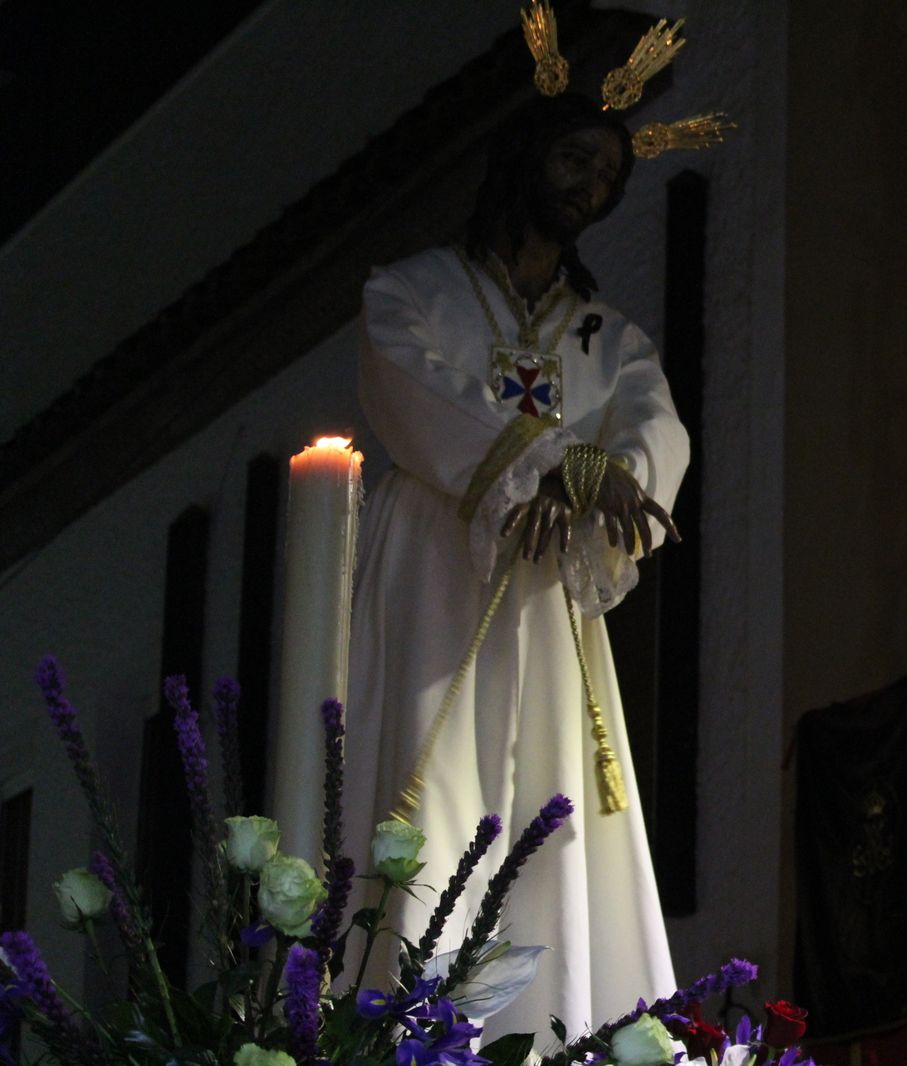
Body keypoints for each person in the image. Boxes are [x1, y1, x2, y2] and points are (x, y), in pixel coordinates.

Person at [342, 91, 688, 1041]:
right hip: (435, 571)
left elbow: (656, 435)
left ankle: (547, 1031)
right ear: (527, 153)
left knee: (551, 800)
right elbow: (411, 385)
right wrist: (566, 462)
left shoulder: (608, 337)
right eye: (577, 160)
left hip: (546, 591)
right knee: (427, 774)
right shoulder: (412, 290)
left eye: (610, 178)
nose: (591, 187)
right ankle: (403, 1029)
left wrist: (609, 472)